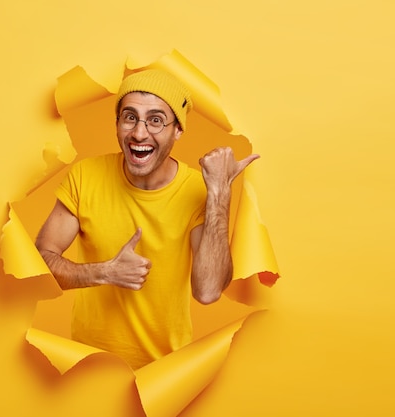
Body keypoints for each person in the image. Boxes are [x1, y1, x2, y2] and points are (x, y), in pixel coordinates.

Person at [35, 69, 259, 369]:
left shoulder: (196, 190)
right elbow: (41, 264)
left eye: (156, 120)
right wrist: (105, 272)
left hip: (165, 373)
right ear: (117, 123)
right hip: (89, 368)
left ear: (177, 130)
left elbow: (208, 290)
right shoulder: (85, 177)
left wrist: (219, 192)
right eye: (130, 117)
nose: (139, 133)